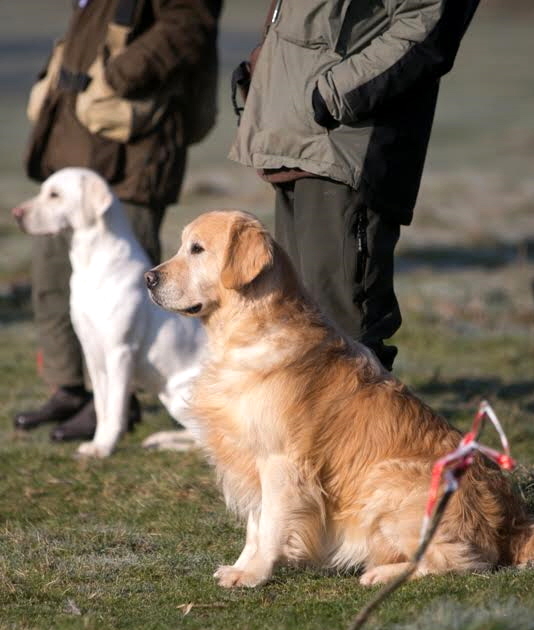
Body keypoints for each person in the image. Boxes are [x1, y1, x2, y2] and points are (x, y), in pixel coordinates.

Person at [229, 0, 480, 371]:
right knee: (295, 329)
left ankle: (363, 431)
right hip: (297, 141)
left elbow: (427, 23)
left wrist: (331, 94)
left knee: (341, 340)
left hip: (344, 149)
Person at [14, 0, 222, 441]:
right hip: (75, 139)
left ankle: (111, 410)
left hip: (132, 154)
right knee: (54, 283)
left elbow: (187, 29)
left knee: (129, 297)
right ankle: (70, 389)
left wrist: (116, 77)